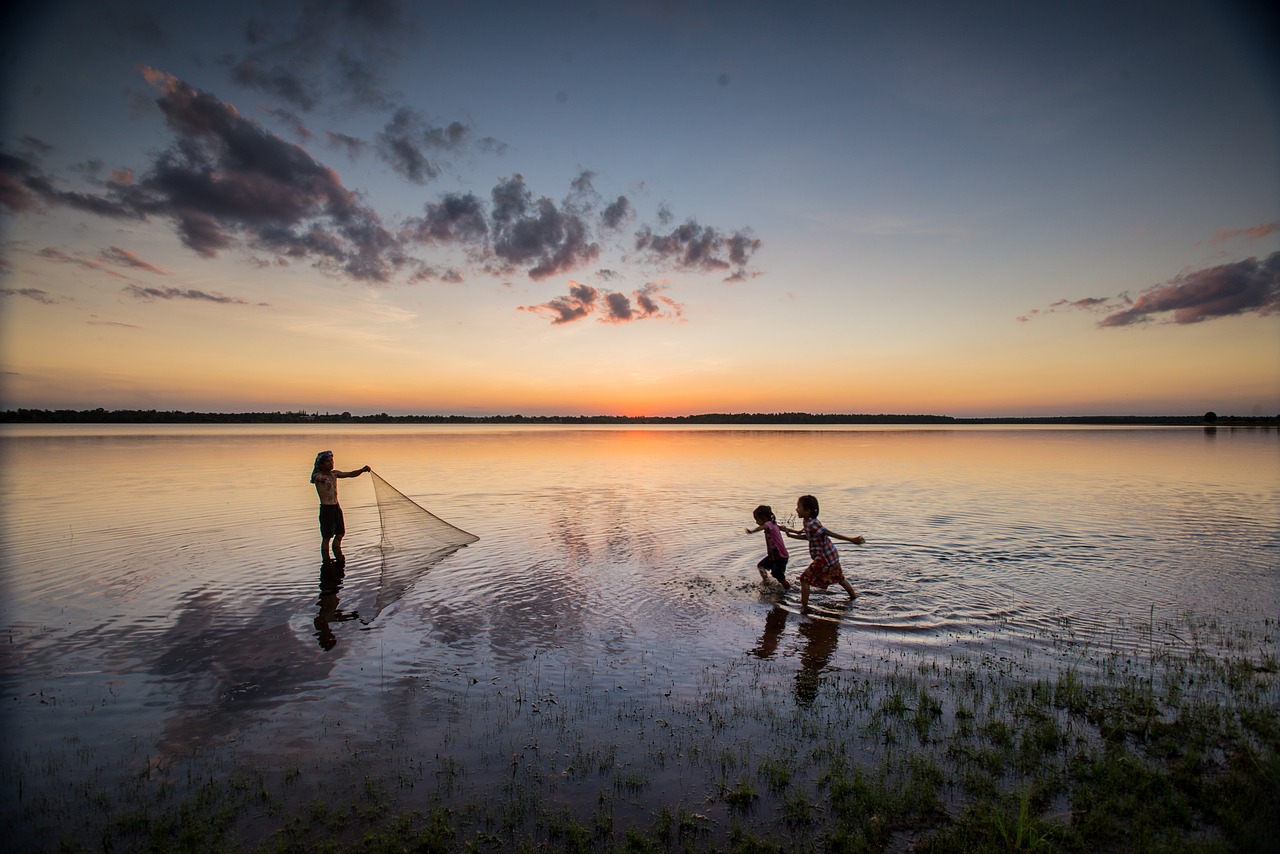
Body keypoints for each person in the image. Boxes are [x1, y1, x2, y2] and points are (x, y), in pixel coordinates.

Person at [781, 494, 864, 613]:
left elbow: (827, 533)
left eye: (799, 507)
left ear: (807, 511)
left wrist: (851, 539)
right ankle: (853, 597)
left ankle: (804, 607)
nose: (796, 509)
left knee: (804, 579)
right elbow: (808, 537)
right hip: (830, 555)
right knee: (839, 578)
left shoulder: (812, 523)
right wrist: (789, 534)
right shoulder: (806, 521)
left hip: (824, 557)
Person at [310, 450, 371, 563]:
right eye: (328, 461)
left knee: (340, 534)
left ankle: (338, 555)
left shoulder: (334, 474)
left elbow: (350, 474)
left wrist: (362, 470)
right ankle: (326, 561)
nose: (331, 463)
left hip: (336, 508)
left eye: (332, 460)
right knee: (327, 537)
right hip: (326, 509)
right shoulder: (318, 475)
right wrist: (325, 480)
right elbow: (317, 478)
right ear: (321, 464)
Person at [745, 504, 791, 591]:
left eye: (757, 520)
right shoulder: (774, 524)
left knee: (779, 577)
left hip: (779, 556)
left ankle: (788, 589)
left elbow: (763, 526)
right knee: (761, 566)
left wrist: (752, 531)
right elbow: (784, 529)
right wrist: (797, 532)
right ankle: (766, 581)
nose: (756, 522)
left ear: (764, 518)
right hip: (775, 555)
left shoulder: (769, 524)